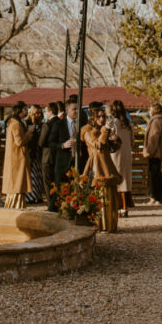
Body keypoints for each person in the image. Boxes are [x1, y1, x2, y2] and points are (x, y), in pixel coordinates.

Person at [82, 102, 122, 233]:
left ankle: (111, 225)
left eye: (103, 116)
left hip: (107, 165)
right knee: (101, 196)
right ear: (93, 117)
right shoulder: (87, 130)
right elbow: (97, 144)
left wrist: (116, 139)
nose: (102, 119)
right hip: (96, 166)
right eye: (98, 116)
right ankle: (101, 225)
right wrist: (105, 130)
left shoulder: (103, 129)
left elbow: (112, 147)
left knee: (110, 196)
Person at [1, 101, 32, 209]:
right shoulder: (15, 123)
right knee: (16, 185)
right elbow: (19, 141)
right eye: (25, 109)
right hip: (17, 159)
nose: (27, 111)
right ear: (19, 110)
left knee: (17, 184)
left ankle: (17, 206)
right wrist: (29, 133)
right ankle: (15, 207)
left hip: (15, 158)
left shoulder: (13, 122)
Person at [108, 100, 135, 216]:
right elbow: (132, 141)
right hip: (127, 154)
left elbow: (109, 140)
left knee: (117, 180)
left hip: (115, 154)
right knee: (126, 181)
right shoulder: (129, 124)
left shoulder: (112, 123)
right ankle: (125, 208)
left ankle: (119, 208)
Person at [49, 100, 79, 202]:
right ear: (67, 110)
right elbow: (51, 143)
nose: (77, 111)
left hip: (77, 162)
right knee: (60, 193)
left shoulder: (81, 124)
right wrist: (63, 145)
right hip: (62, 162)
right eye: (74, 109)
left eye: (77, 109)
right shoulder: (59, 124)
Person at [143, 103, 162, 204]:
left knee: (153, 176)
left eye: (150, 109)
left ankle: (155, 197)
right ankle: (160, 197)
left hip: (154, 153)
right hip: (160, 152)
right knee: (158, 175)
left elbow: (154, 138)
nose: (149, 111)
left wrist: (148, 151)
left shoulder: (155, 121)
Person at [22, 105, 45, 204]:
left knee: (38, 174)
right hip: (30, 151)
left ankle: (38, 195)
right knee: (30, 175)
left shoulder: (41, 124)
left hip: (38, 152)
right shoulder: (27, 123)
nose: (38, 115)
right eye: (36, 113)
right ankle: (30, 196)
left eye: (40, 113)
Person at [40, 103, 59, 211]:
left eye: (46, 111)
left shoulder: (47, 125)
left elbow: (41, 142)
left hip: (47, 157)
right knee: (56, 181)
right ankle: (57, 203)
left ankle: (51, 205)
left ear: (51, 112)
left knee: (47, 183)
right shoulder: (62, 123)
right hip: (58, 156)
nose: (45, 114)